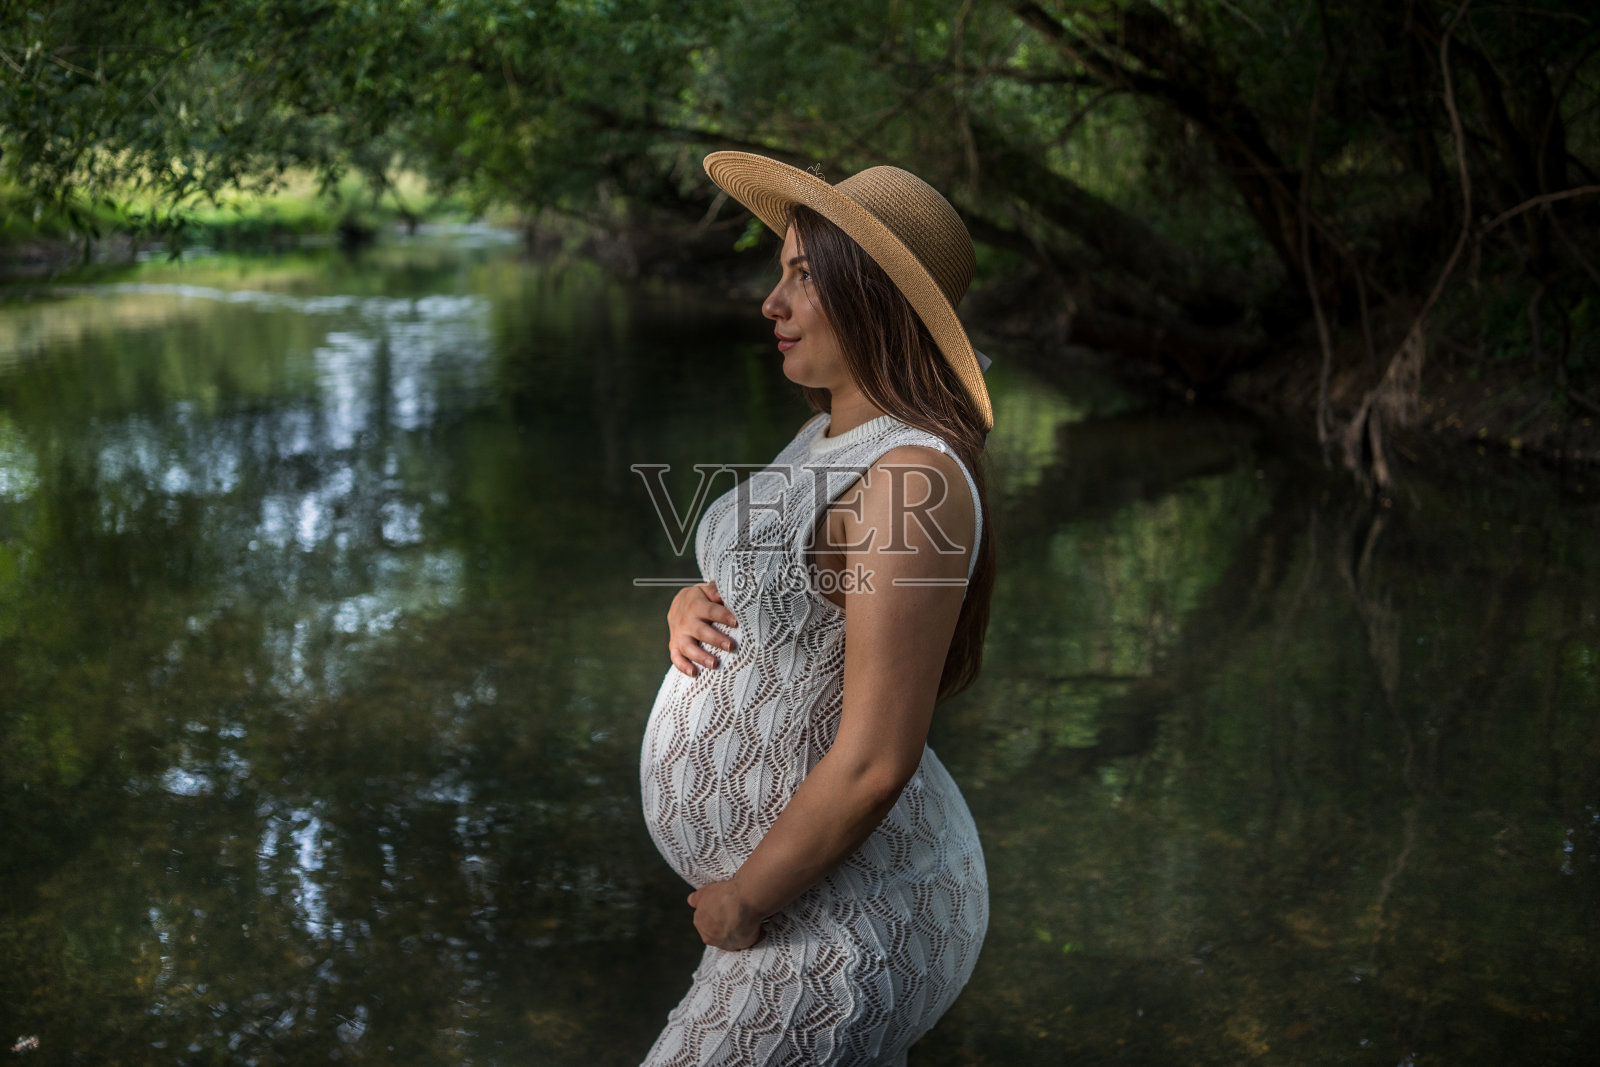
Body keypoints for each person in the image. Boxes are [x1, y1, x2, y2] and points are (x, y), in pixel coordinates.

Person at [638, 151, 997, 1066]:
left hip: (848, 904)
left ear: (879, 302)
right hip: (803, 893)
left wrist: (748, 894)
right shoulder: (825, 433)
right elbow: (785, 596)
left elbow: (879, 756)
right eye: (781, 271)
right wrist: (691, 603)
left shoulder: (912, 475)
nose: (773, 301)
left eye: (804, 276)